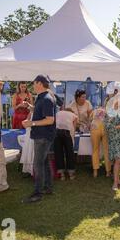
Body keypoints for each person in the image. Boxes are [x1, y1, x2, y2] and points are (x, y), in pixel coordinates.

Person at [22, 75, 56, 203]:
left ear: (40, 84)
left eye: (34, 83)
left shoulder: (46, 98)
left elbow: (50, 119)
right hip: (43, 135)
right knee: (44, 162)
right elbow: (40, 111)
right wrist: (30, 107)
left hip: (43, 135)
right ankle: (48, 187)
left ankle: (38, 193)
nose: (33, 86)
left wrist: (32, 123)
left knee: (38, 164)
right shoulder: (43, 97)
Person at [104, 94, 120, 191]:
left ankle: (117, 179)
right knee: (118, 160)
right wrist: (119, 126)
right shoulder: (108, 113)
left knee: (119, 160)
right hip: (114, 139)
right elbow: (107, 126)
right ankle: (115, 183)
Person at [54, 107, 78, 180]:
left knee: (58, 153)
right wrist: (72, 139)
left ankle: (62, 175)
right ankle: (71, 174)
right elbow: (73, 128)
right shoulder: (74, 115)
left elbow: (54, 123)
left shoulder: (57, 113)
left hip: (57, 133)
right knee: (69, 153)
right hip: (67, 133)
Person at [90, 105, 111, 177]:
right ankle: (108, 171)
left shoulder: (94, 111)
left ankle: (95, 171)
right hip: (105, 128)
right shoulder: (107, 111)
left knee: (95, 150)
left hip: (95, 127)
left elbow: (90, 120)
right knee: (106, 150)